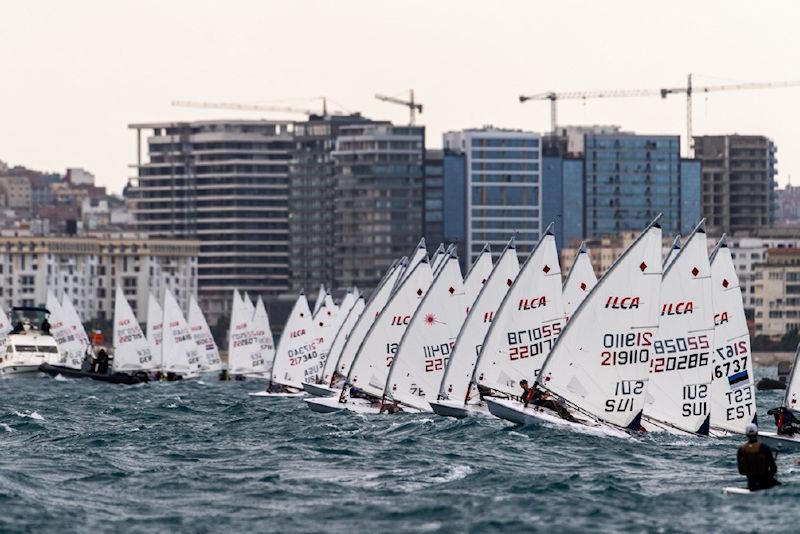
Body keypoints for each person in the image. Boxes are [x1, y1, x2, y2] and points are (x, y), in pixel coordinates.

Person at [737, 423, 780, 491]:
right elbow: (773, 468)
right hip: (766, 484)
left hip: (751, 484)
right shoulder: (764, 447)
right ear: (757, 433)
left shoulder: (741, 450)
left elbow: (741, 471)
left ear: (746, 434)